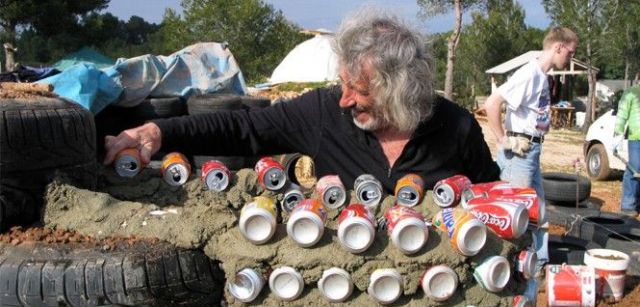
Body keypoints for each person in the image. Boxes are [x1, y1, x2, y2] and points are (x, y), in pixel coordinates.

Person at [104, 8, 499, 193]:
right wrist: (157, 130)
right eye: (341, 82)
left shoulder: (457, 127)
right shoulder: (324, 112)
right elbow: (242, 128)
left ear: (400, 93)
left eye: (358, 91)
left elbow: (493, 197)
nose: (343, 100)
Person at [485, 27, 579, 269]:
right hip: (520, 153)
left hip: (531, 150)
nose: (570, 58)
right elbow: (492, 102)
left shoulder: (541, 75)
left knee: (538, 211)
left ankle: (536, 266)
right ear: (558, 47)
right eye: (570, 52)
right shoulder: (529, 73)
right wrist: (503, 139)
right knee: (515, 214)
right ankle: (506, 267)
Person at [614, 85, 640, 216]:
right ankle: (628, 205)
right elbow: (622, 114)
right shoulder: (631, 93)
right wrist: (618, 134)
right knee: (634, 169)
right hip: (636, 138)